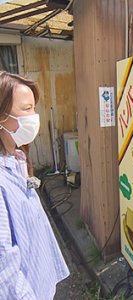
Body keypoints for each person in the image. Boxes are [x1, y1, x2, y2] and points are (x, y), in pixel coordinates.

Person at [0, 71, 69, 299]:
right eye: (26, 109)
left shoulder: (17, 157)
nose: (34, 117)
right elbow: (5, 266)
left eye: (34, 108)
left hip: (41, 281)